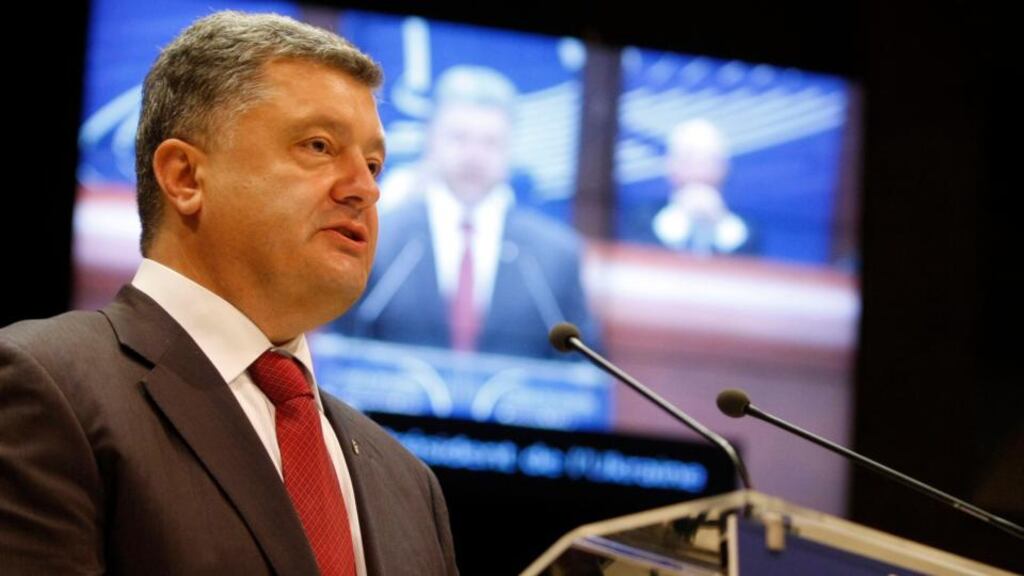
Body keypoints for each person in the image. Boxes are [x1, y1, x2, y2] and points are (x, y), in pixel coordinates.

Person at [0, 12, 457, 575]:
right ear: (185, 177)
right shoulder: (43, 383)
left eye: (372, 164)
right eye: (318, 146)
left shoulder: (408, 483)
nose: (364, 189)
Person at [334, 65, 600, 359]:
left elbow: (579, 367)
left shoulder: (556, 255)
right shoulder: (380, 237)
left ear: (512, 148)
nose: (474, 155)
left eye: (490, 142)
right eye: (459, 138)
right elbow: (343, 346)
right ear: (431, 139)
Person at [650, 118, 754, 255]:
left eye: (708, 160)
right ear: (670, 164)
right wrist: (680, 216)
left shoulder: (746, 231)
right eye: (688, 158)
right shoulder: (641, 220)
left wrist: (718, 222)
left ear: (724, 168)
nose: (698, 169)